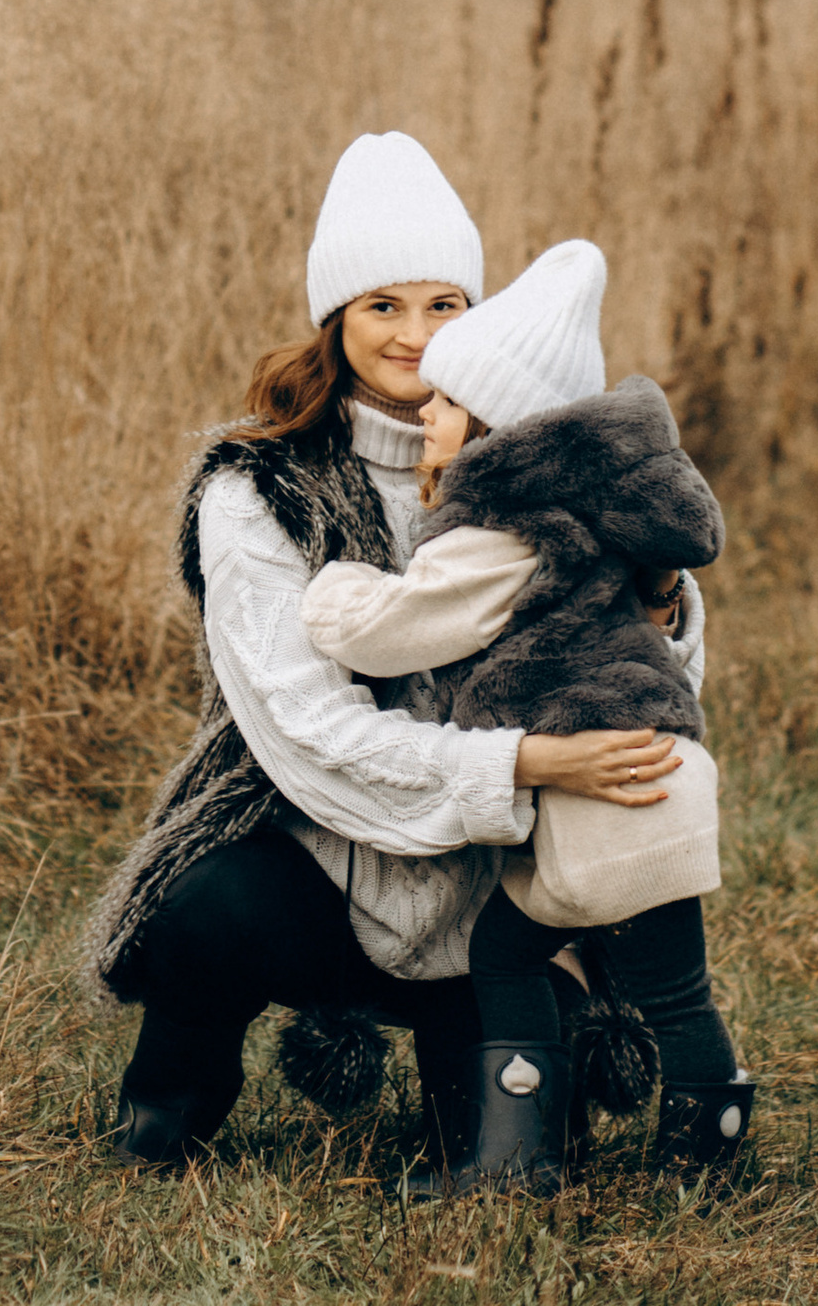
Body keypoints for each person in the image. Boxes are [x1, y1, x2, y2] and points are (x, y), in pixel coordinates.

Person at [88, 133, 700, 1190]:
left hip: (500, 895)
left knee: (517, 1162)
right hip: (319, 865)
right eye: (383, 305)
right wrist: (520, 765)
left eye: (444, 305)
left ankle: (504, 1063)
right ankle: (166, 1110)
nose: (415, 336)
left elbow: (656, 682)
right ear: (336, 318)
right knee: (210, 907)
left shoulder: (557, 463)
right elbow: (306, 726)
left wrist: (658, 596)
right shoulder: (257, 489)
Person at [299, 238, 755, 1193]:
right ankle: (604, 1156)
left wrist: (335, 589)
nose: (424, 421)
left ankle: (595, 1156)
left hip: (614, 790)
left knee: (607, 977)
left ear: (491, 427)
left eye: (441, 407)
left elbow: (391, 631)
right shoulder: (591, 509)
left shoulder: (502, 532)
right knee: (581, 968)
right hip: (647, 771)